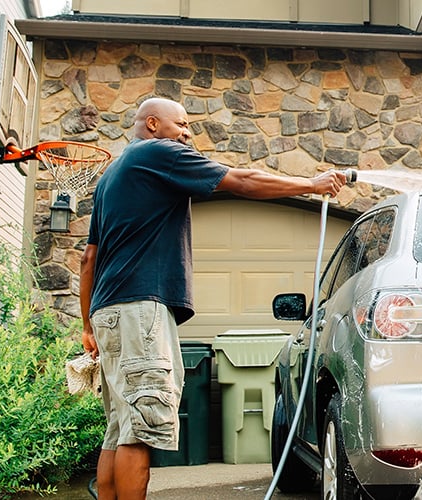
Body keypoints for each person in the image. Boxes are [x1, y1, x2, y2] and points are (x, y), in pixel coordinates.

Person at [79, 97, 347, 500]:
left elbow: (89, 258)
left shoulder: (112, 174)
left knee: (118, 429)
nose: (187, 134)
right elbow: (241, 181)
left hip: (109, 311)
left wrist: (87, 325)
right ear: (152, 124)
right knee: (141, 428)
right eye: (182, 124)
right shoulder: (158, 153)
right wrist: (310, 185)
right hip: (141, 308)